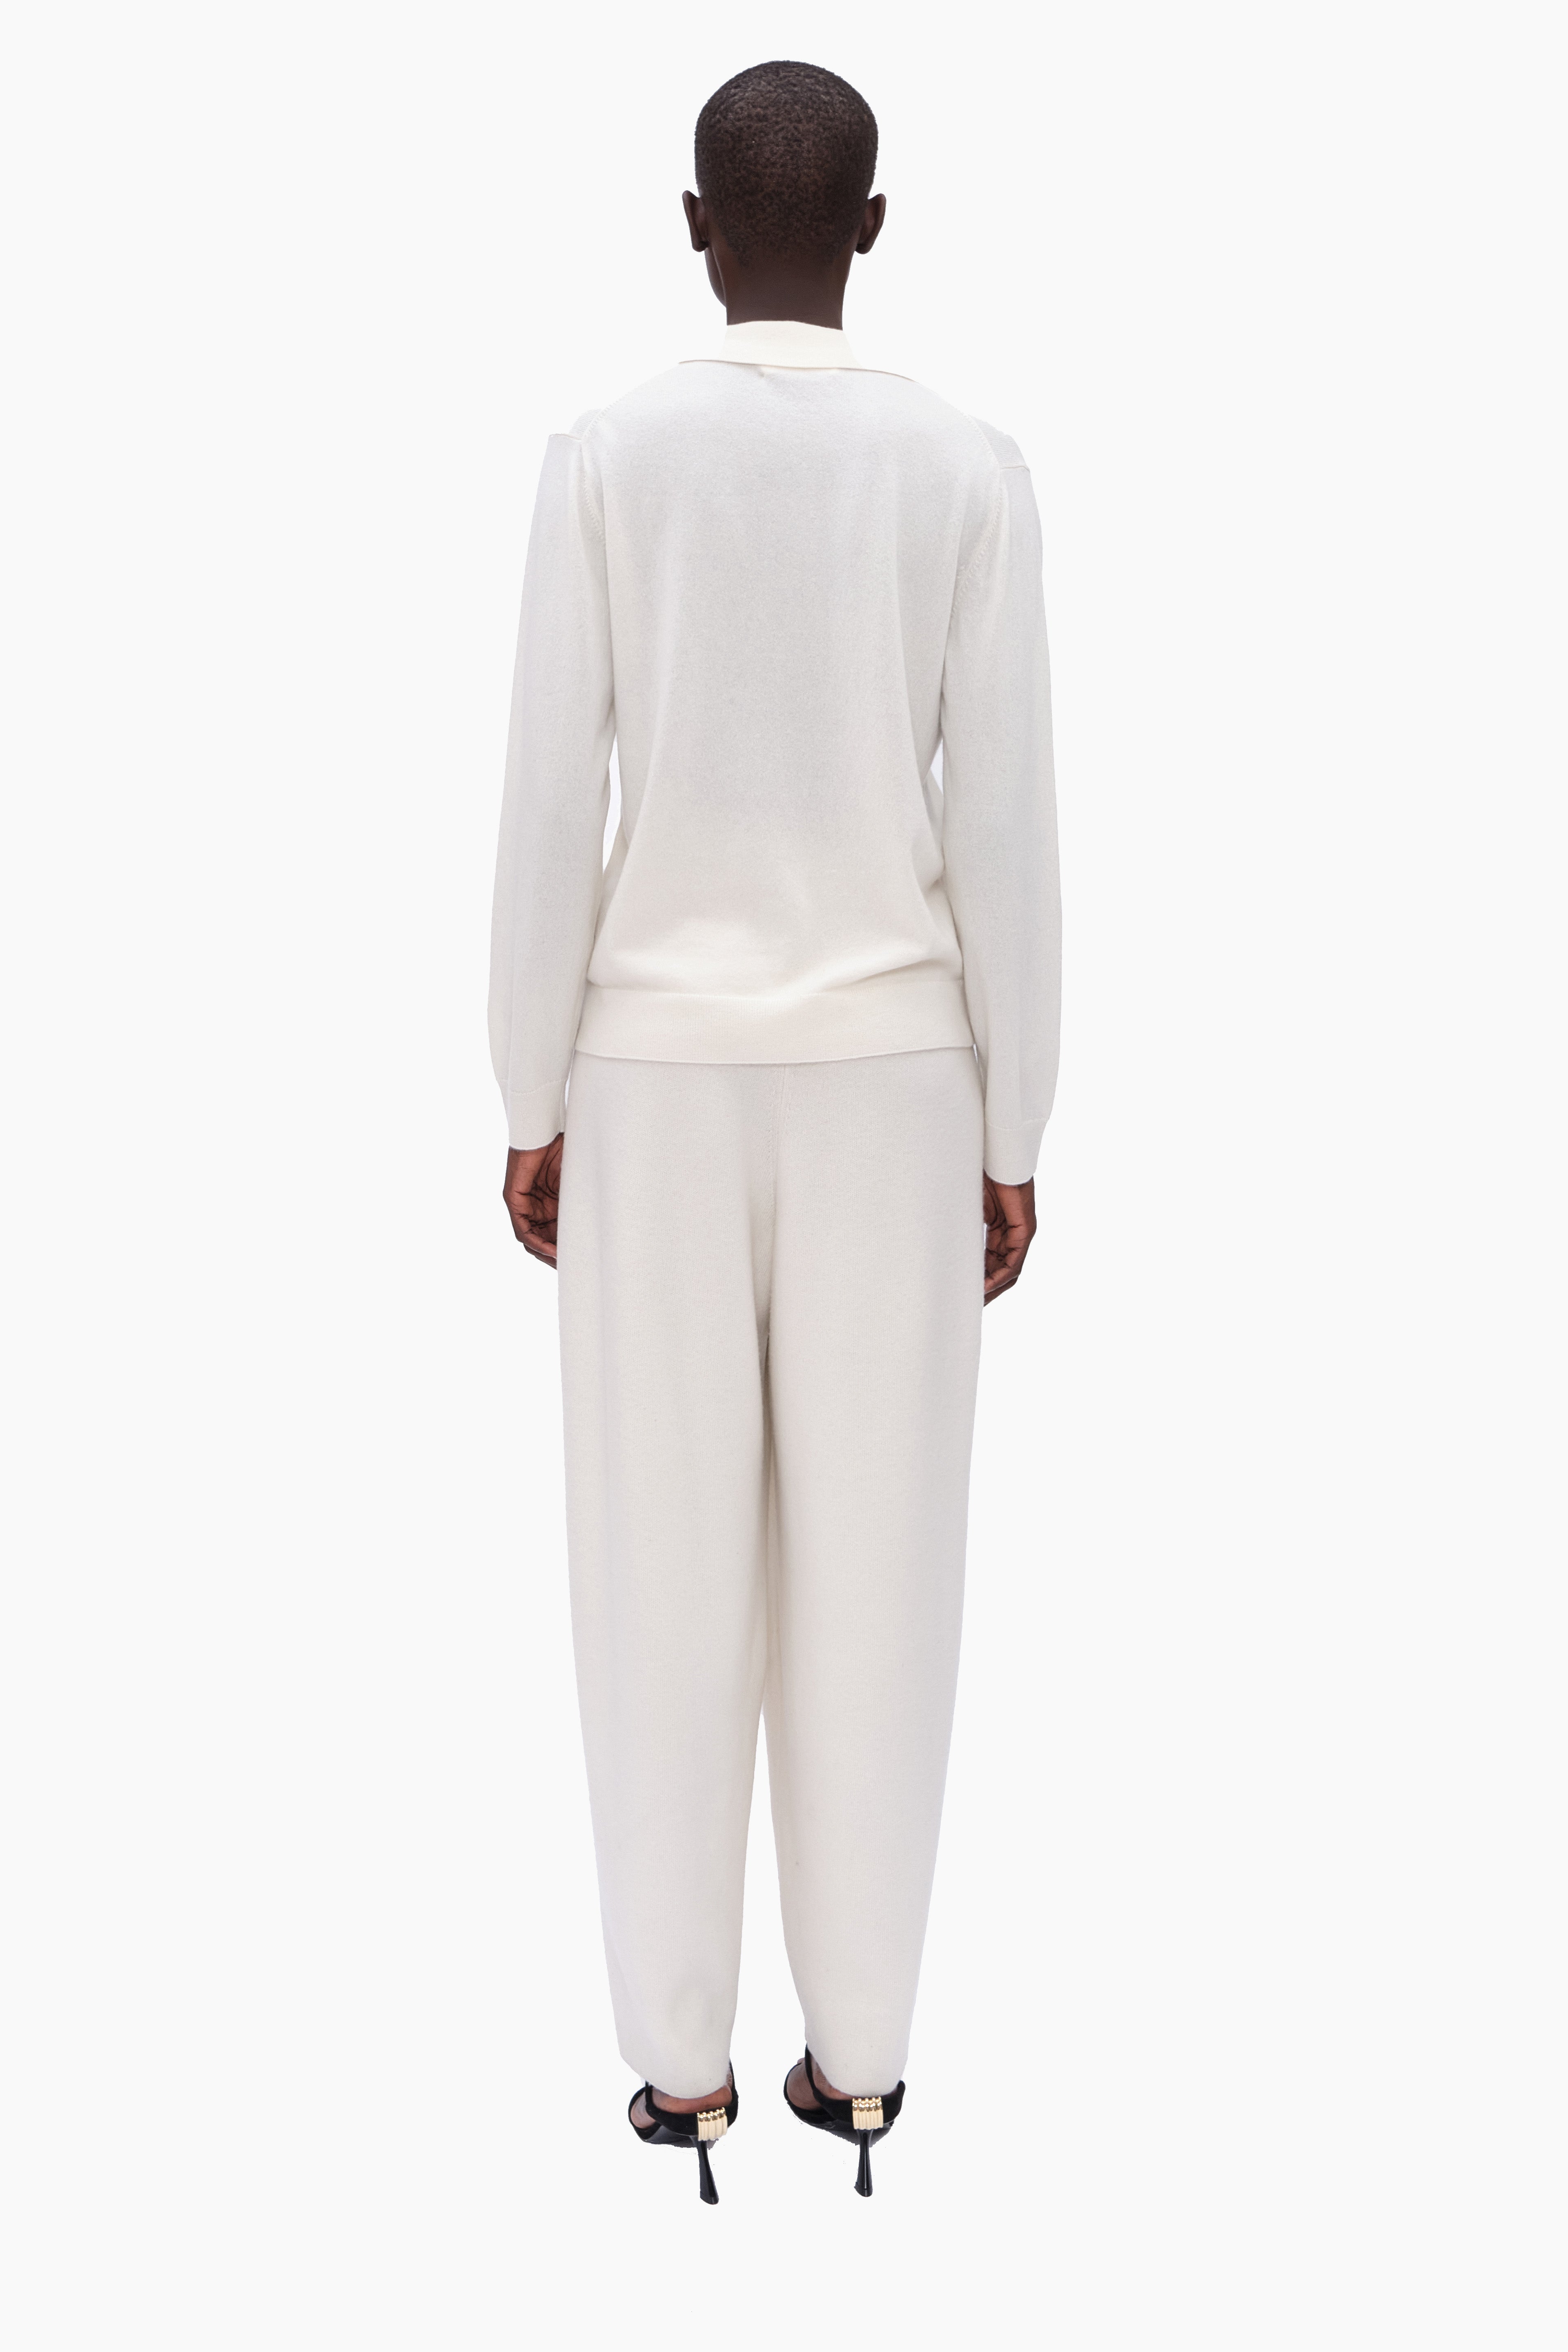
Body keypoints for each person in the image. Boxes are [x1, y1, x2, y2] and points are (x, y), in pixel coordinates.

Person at [490, 58, 1060, 2203]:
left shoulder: (606, 459)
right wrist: (1019, 1117)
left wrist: (527, 1089)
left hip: (648, 1076)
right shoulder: (967, 470)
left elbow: (552, 795)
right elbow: (1004, 827)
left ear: (694, 226)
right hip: (900, 1083)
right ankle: (865, 2066)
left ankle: (683, 2075)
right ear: (875, 229)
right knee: (882, 1575)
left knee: (656, 1567)